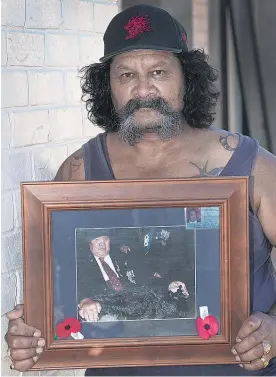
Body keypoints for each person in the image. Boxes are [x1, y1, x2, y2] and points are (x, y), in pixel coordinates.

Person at [5, 4, 276, 376]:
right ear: (108, 87)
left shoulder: (253, 165)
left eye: (159, 72)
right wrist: (29, 330)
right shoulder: (79, 173)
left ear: (187, 79)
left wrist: (275, 327)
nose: (143, 89)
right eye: (126, 75)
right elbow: (56, 285)